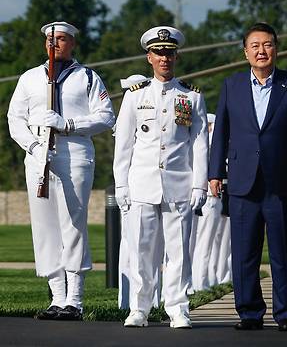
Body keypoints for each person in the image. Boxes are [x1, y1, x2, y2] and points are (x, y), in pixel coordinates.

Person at [208, 22, 287, 332]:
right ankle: (249, 312)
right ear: (245, 52)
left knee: (283, 252)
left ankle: (286, 314)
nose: (261, 50)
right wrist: (215, 172)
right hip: (243, 182)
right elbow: (221, 133)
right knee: (245, 253)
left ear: (276, 49)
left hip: (281, 182)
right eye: (255, 45)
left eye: (267, 44)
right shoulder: (231, 86)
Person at [7, 21, 115, 320]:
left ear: (72, 44)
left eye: (61, 39)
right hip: (39, 157)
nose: (54, 44)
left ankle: (75, 300)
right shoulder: (29, 78)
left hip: (75, 155)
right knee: (45, 229)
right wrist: (32, 145)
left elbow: (106, 117)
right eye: (50, 39)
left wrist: (68, 125)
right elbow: (15, 118)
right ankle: (57, 297)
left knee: (72, 225)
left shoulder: (87, 78)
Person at [113, 26, 208, 329]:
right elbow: (124, 143)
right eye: (158, 53)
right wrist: (121, 183)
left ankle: (178, 308)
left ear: (176, 55)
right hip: (142, 184)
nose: (164, 58)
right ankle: (140, 307)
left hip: (179, 183)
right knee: (141, 249)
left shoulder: (191, 96)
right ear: (149, 58)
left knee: (179, 251)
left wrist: (199, 184)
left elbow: (200, 143)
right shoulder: (135, 97)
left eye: (169, 53)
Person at [116, 74, 163, 310]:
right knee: (133, 248)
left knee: (151, 249)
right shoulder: (132, 102)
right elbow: (123, 150)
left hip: (155, 186)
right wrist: (121, 185)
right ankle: (131, 303)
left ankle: (152, 302)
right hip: (137, 186)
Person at [190, 113, 223, 292]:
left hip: (212, 197)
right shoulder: (208, 141)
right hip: (209, 197)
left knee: (208, 243)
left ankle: (202, 280)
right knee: (203, 243)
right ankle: (199, 282)